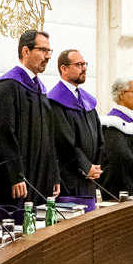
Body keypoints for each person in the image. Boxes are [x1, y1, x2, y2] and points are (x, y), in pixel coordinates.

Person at [0, 29, 60, 210]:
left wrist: (53, 174)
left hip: (39, 176)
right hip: (17, 181)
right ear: (26, 51)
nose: (48, 56)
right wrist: (14, 175)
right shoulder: (8, 86)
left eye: (49, 51)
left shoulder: (40, 88)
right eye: (42, 50)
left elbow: (49, 137)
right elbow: (0, 134)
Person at [47, 49, 103, 198]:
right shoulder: (55, 100)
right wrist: (86, 167)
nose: (84, 68)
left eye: (84, 64)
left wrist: (95, 167)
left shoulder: (87, 100)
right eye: (78, 64)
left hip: (89, 179)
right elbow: (65, 143)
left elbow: (99, 137)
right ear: (63, 69)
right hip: (69, 179)